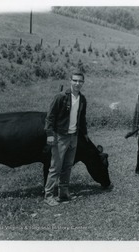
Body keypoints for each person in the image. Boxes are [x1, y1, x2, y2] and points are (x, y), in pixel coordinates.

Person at [43, 71, 88, 206]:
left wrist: (84, 134)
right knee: (55, 167)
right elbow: (50, 117)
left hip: (73, 137)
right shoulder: (61, 97)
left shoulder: (82, 99)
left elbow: (82, 118)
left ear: (83, 83)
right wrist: (50, 135)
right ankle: (48, 195)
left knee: (67, 166)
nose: (77, 83)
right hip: (60, 137)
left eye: (80, 81)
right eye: (75, 80)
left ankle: (63, 193)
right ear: (70, 81)